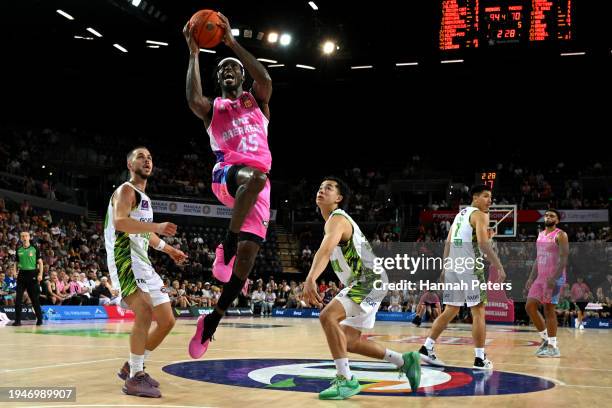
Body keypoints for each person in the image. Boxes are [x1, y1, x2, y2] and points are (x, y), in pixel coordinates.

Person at [184, 13, 275, 359]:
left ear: (241, 76)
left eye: (233, 67)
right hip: (227, 175)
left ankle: (211, 322)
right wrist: (194, 52)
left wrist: (232, 43)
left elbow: (265, 79)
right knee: (255, 177)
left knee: (244, 268)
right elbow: (193, 100)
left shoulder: (257, 103)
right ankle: (227, 242)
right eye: (221, 68)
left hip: (258, 188)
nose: (227, 70)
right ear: (218, 78)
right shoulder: (214, 108)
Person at [303, 177, 420, 400]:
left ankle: (346, 380)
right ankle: (404, 360)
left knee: (327, 317)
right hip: (368, 281)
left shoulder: (336, 219)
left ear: (338, 198)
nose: (321, 191)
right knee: (348, 341)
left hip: (369, 280)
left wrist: (310, 278)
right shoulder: (335, 221)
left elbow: (324, 251)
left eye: (328, 188)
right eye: (319, 187)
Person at [104, 147, 187, 397]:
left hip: (143, 262)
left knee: (167, 320)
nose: (147, 160)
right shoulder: (125, 190)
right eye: (141, 157)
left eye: (150, 157)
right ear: (130, 164)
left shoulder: (143, 196)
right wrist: (158, 225)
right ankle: (134, 378)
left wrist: (168, 249)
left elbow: (142, 231)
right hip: (124, 258)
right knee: (144, 309)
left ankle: (133, 365)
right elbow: (120, 222)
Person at [417, 185, 506, 370]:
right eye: (486, 196)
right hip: (470, 267)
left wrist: (444, 267)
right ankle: (480, 358)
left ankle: (427, 347)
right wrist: (499, 266)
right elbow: (483, 244)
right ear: (475, 197)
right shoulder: (481, 215)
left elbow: (448, 241)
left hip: (453, 267)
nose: (490, 200)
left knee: (450, 310)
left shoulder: (460, 214)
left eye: (491, 197)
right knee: (478, 311)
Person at [525, 209, 568, 358]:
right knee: (530, 306)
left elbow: (563, 259)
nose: (548, 217)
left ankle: (553, 346)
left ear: (557, 220)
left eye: (552, 216)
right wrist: (531, 277)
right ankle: (544, 339)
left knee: (549, 310)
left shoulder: (561, 235)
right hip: (540, 277)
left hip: (554, 277)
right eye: (547, 215)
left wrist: (554, 278)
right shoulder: (541, 234)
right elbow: (538, 258)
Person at [12, 232, 44, 325]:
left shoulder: (34, 248)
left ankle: (40, 319)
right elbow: (16, 262)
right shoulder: (19, 249)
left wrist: (40, 274)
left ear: (29, 237)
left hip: (32, 274)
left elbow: (40, 262)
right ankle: (17, 321)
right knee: (18, 299)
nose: (24, 237)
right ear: (20, 238)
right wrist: (14, 271)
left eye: (26, 236)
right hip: (21, 274)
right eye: (22, 236)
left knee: (34, 299)